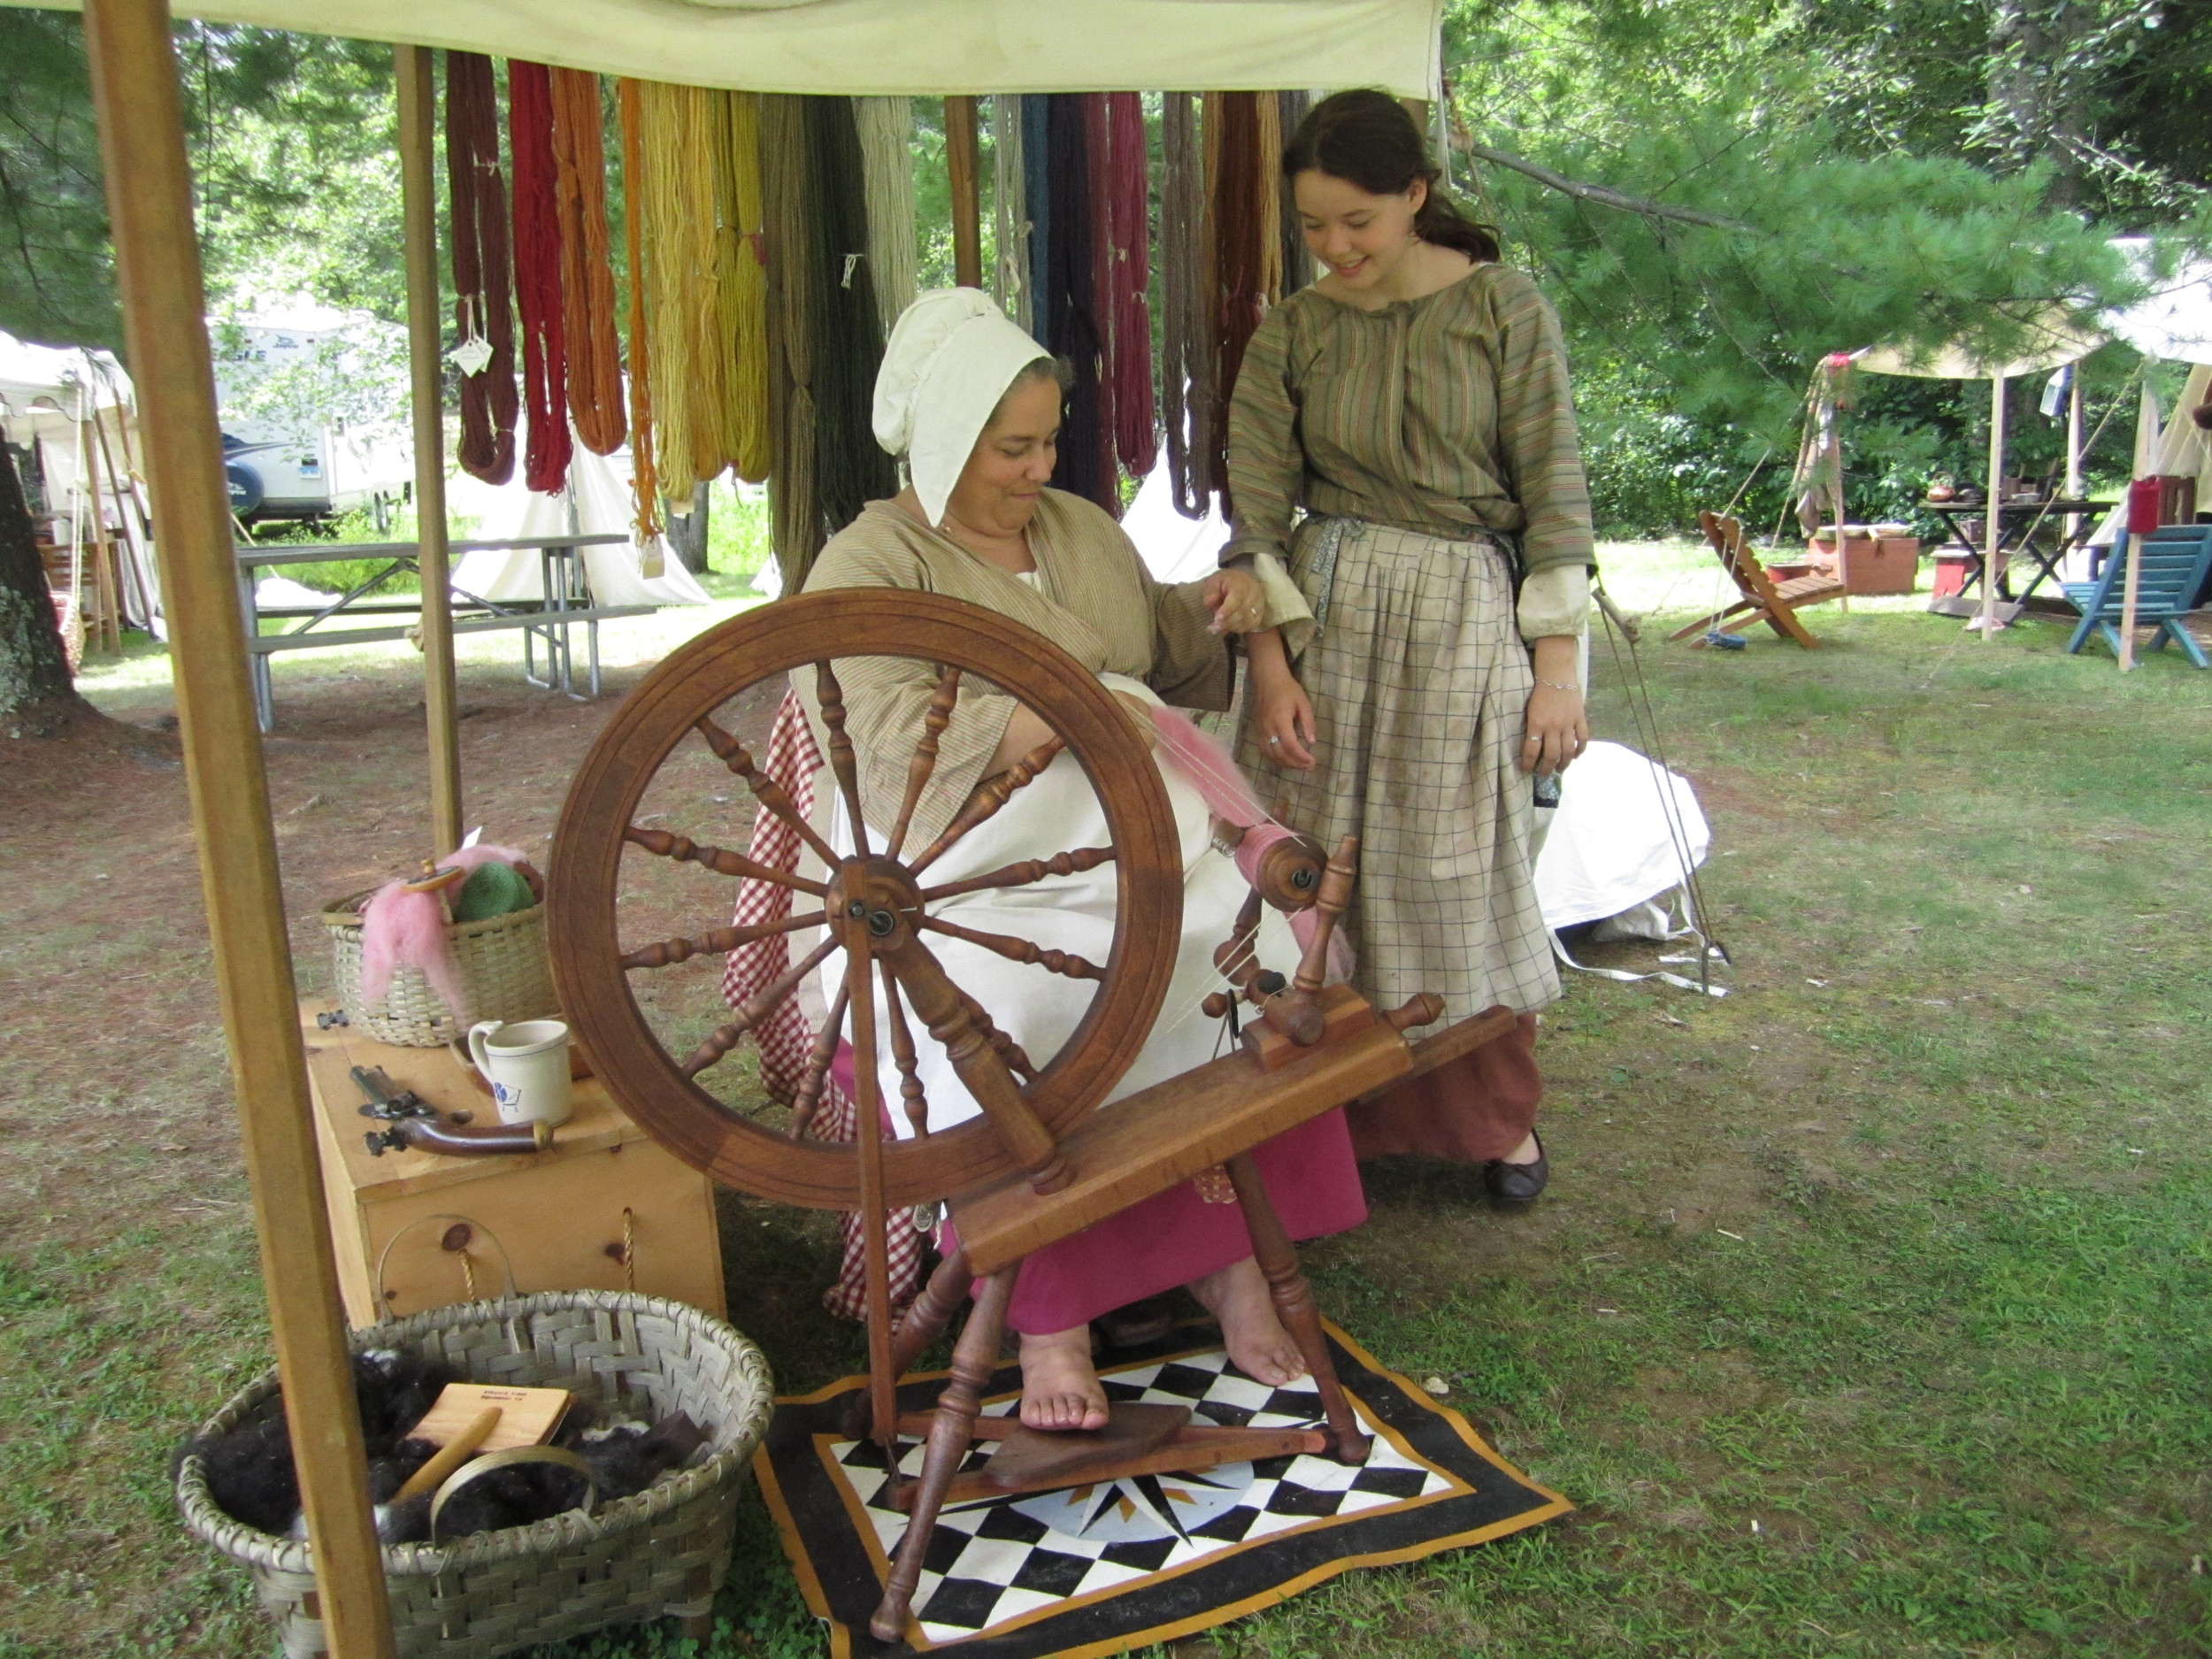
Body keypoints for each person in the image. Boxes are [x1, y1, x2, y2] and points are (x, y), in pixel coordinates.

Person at [795, 288, 1364, 1432]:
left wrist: (1223, 609)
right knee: (1007, 1002)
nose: (1039, 463)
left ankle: (1228, 1259)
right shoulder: (868, 559)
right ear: (948, 440)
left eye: (1049, 437)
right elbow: (854, 719)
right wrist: (1018, 722)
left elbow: (1163, 647)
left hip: (1136, 833)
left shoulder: (1078, 529)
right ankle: (1049, 1310)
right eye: (1014, 445)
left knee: (1249, 951)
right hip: (961, 868)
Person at [1225, 88, 1595, 1203]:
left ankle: (1491, 1122)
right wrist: (1273, 666)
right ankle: (1316, 1123)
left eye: (1358, 223)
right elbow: (1256, 509)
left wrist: (1557, 672)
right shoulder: (1294, 331)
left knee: (1452, 872)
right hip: (1326, 614)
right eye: (1314, 228)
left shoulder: (1502, 307)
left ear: (1415, 197)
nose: (1334, 249)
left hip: (1458, 619)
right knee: (1316, 860)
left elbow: (1553, 489)